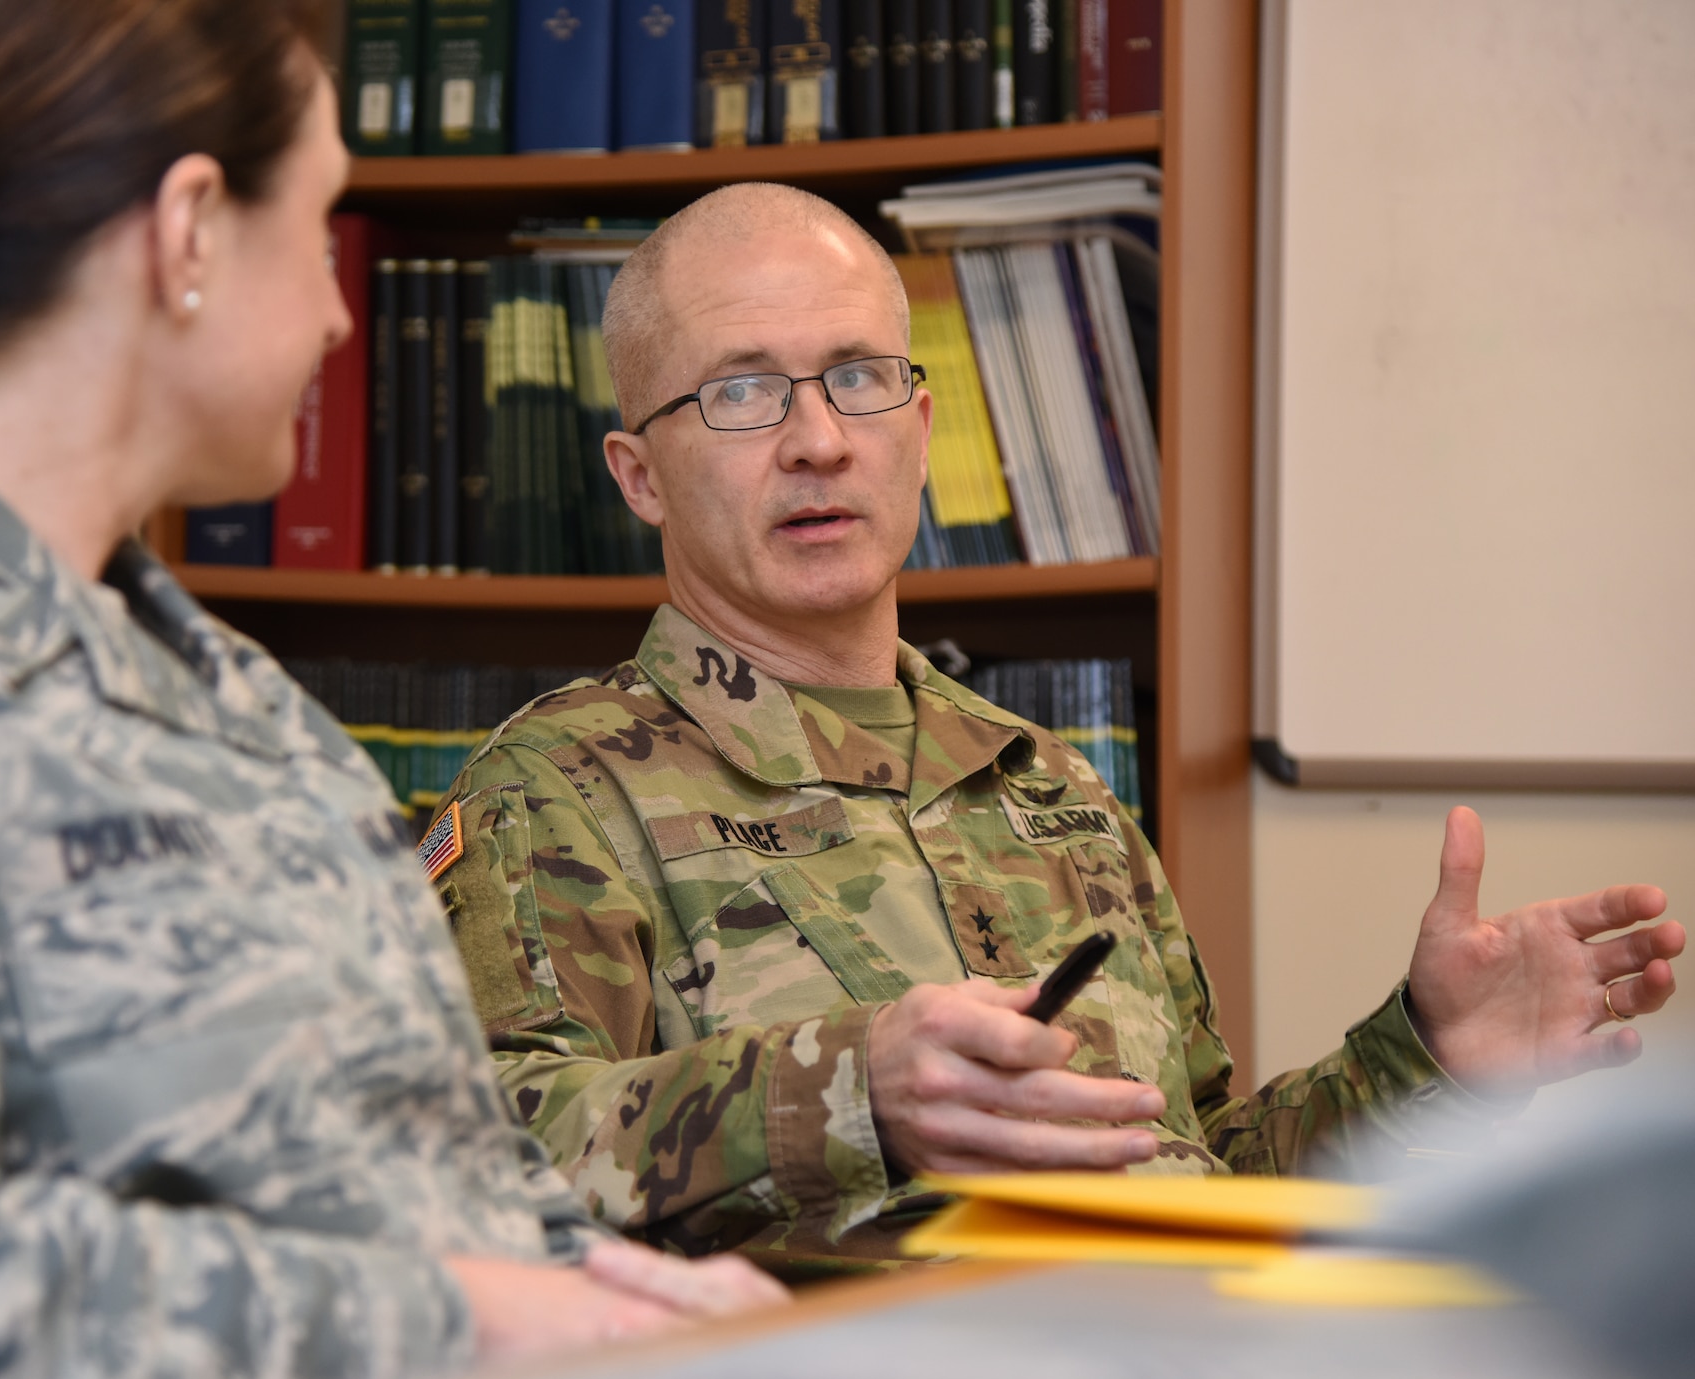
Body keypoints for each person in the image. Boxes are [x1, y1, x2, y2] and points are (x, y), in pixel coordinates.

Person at [0, 2, 785, 1379]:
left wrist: (634, 1296)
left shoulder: (239, 705)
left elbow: (443, 1167)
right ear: (190, 230)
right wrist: (464, 1318)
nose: (342, 313)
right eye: (324, 227)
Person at [430, 183, 1683, 1270]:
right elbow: (471, 1165)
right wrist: (850, 1086)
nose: (816, 441)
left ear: (917, 434)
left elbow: (1202, 1183)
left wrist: (1420, 1057)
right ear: (637, 474)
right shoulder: (553, 791)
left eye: (857, 377)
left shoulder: (1050, 786)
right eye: (742, 393)